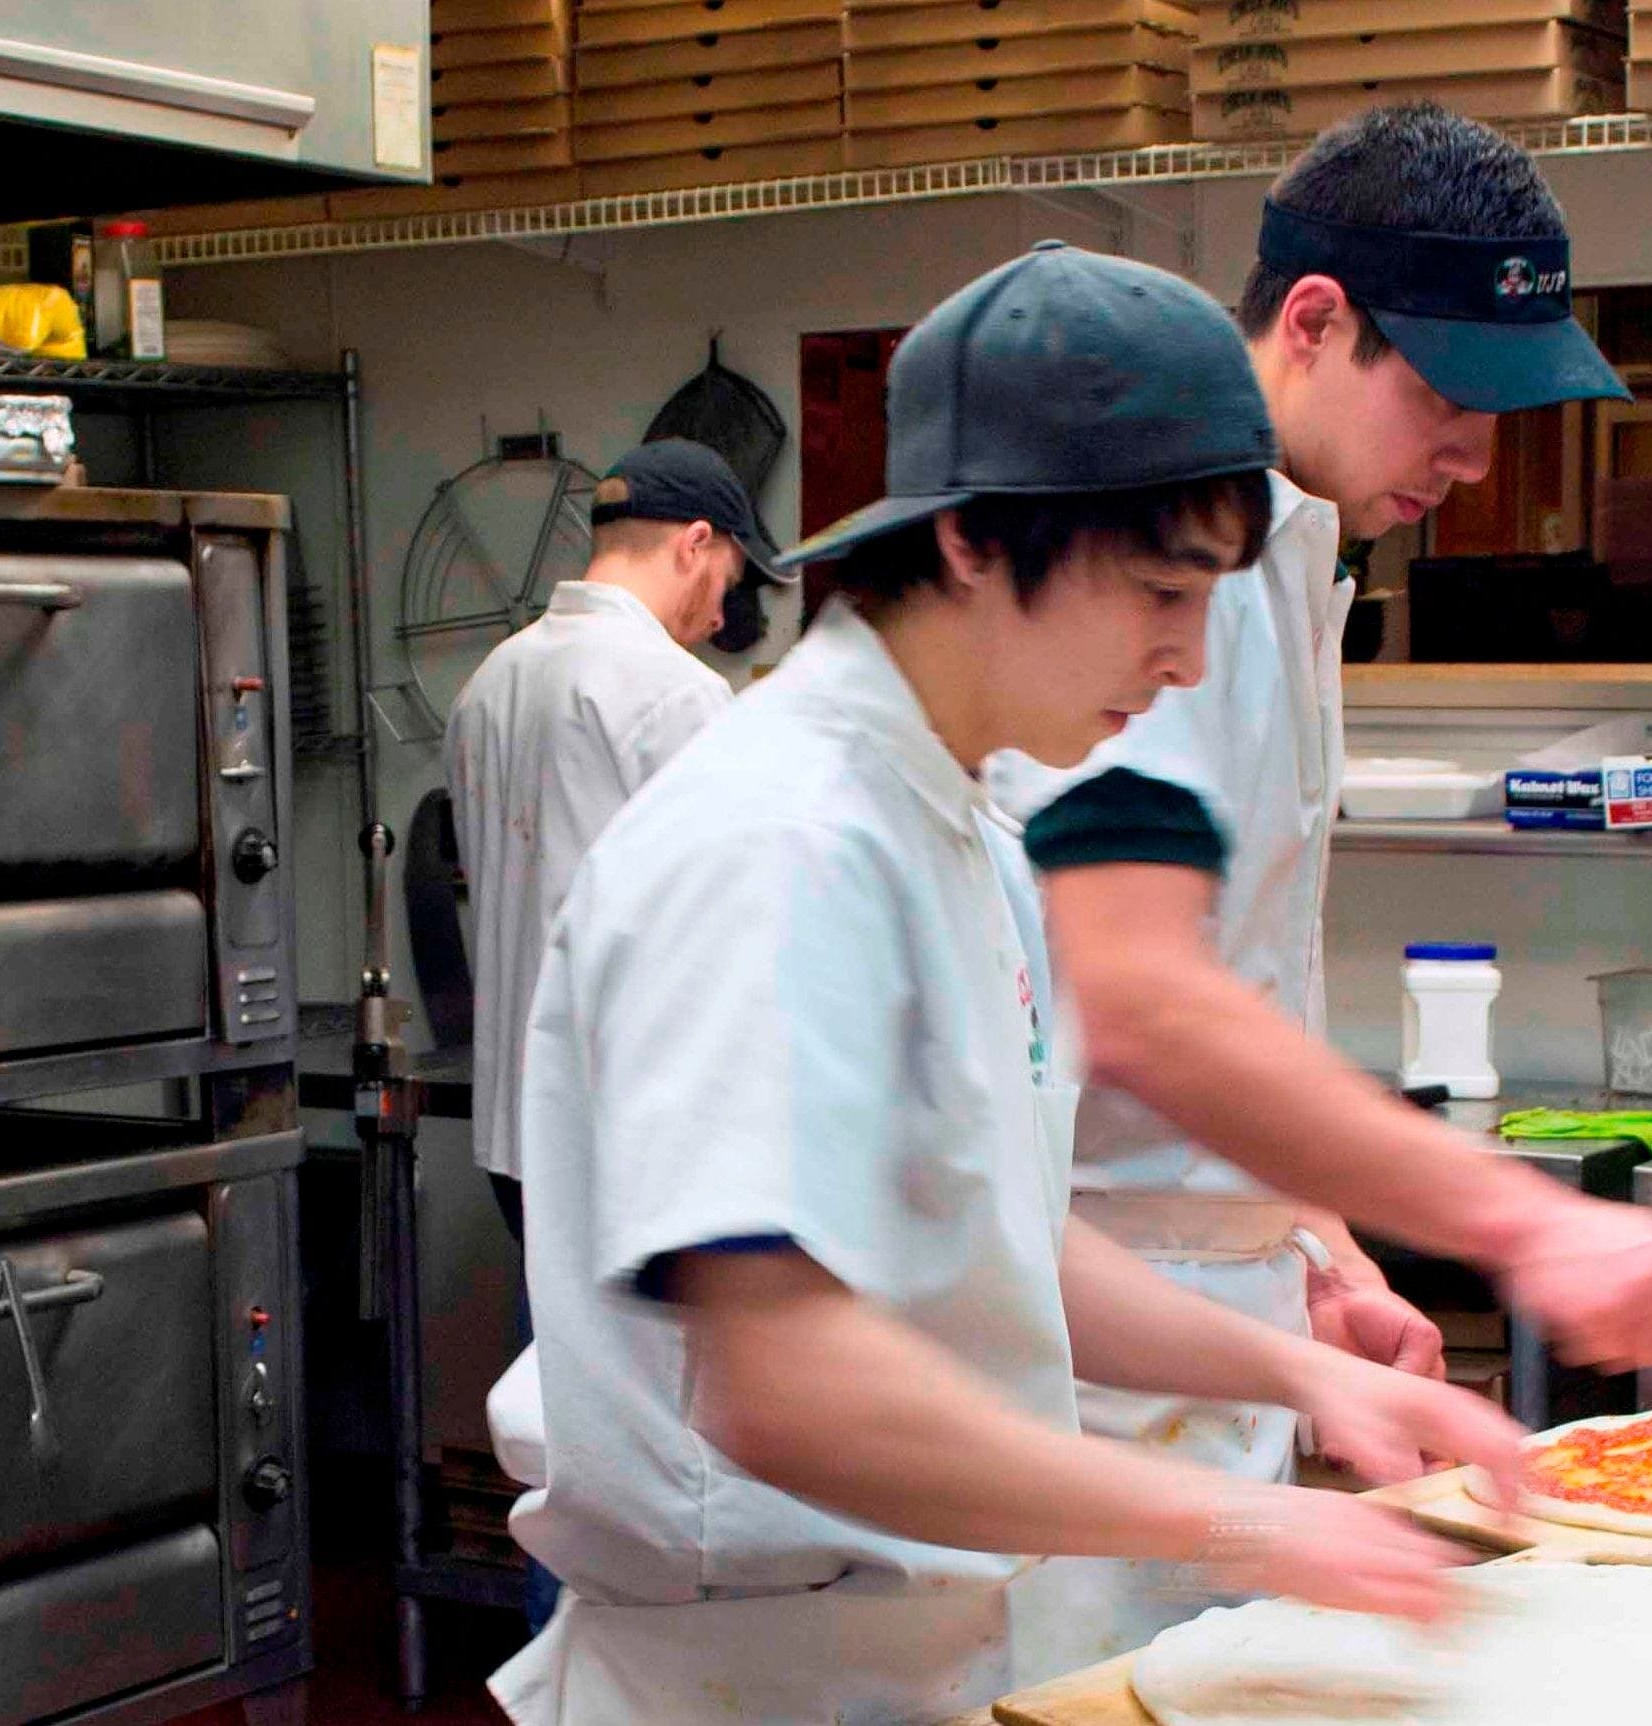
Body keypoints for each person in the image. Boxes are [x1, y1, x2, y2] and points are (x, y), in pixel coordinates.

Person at [486, 242, 1525, 1726]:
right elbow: (783, 1382)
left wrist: (1302, 1375)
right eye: (1159, 590)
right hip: (748, 1676)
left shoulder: (962, 818)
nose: (1182, 659)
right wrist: (1238, 1521)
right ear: (971, 541)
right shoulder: (780, 837)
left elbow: (997, 1237)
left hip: (917, 1656)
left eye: (1211, 597)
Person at [995, 103, 1652, 1668]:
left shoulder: (1296, 560)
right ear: (1313, 322)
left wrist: (1318, 1243)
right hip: (1069, 1342)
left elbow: (1236, 973)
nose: (1479, 455)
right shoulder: (1167, 563)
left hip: (1184, 1318)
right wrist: (1521, 1223)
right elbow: (1135, 994)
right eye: (1447, 393)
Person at [446, 436, 787, 1629]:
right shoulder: (676, 696)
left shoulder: (492, 680)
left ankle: (563, 1684)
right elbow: (732, 919)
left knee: (565, 1424)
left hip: (517, 1128)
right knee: (645, 1454)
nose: (724, 609)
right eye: (731, 577)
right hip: (637, 1128)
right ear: (698, 544)